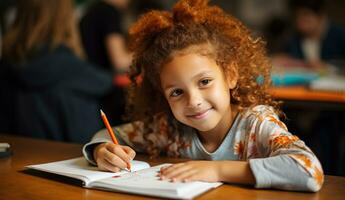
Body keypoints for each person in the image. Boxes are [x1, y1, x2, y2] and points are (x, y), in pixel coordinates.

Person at [82, 0, 324, 191]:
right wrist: (101, 150)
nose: (194, 101)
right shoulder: (169, 130)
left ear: (230, 75)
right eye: (177, 92)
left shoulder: (256, 125)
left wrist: (216, 170)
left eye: (205, 82)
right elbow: (109, 134)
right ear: (163, 95)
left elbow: (309, 170)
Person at [0, 0, 113, 143]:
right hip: (64, 162)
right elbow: (89, 147)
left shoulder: (6, 66)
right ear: (67, 19)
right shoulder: (78, 77)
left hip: (15, 160)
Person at [277, 0, 345, 68]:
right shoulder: (293, 39)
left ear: (320, 15)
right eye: (297, 17)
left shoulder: (342, 35)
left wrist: (328, 65)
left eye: (306, 16)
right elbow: (287, 58)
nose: (300, 23)